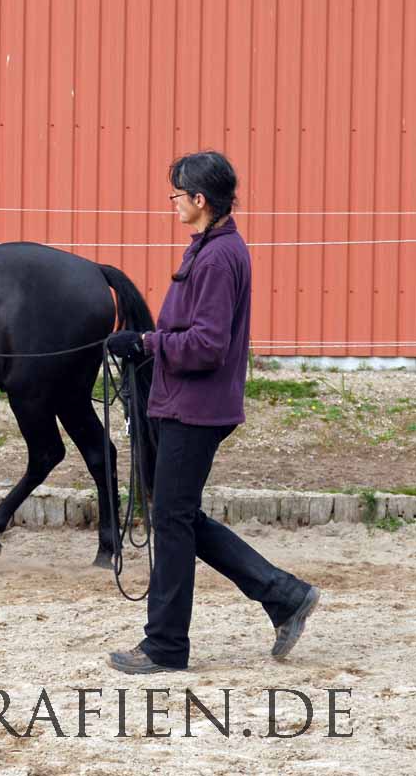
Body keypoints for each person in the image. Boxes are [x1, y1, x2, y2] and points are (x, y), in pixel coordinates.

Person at [103, 150, 320, 674]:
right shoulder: (208, 249)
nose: (173, 202)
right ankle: (283, 595)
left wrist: (148, 345)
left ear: (201, 200)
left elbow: (207, 345)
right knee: (179, 516)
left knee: (172, 519)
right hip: (187, 403)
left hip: (196, 407)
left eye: (177, 194)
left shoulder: (219, 258)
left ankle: (166, 646)